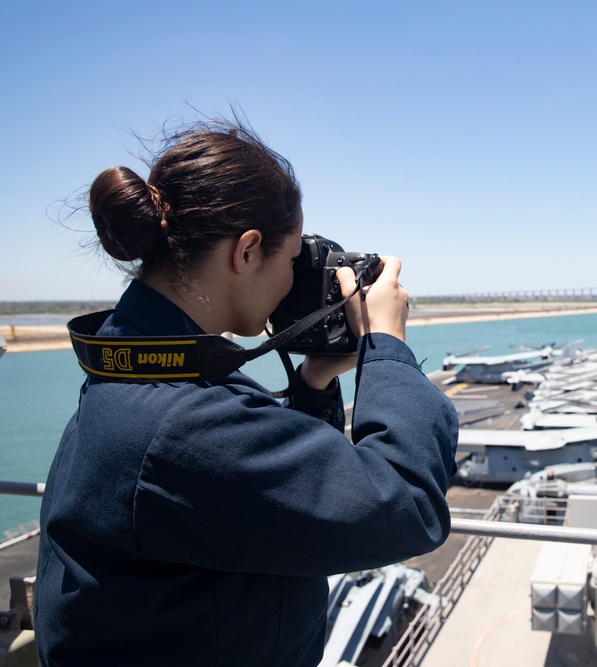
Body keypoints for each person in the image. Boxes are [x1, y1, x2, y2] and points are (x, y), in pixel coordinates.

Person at [34, 119, 459, 666]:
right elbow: (405, 508)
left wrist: (313, 383)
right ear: (247, 251)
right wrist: (386, 347)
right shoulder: (180, 422)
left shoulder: (139, 373)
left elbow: (255, 494)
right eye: (289, 261)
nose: (292, 280)